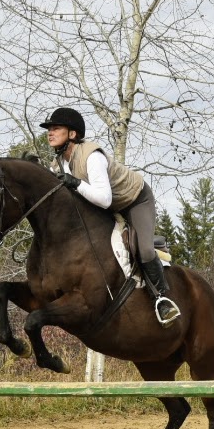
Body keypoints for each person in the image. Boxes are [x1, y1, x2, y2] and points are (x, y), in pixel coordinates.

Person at [40, 107, 180, 327]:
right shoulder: (58, 164)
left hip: (134, 201)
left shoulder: (92, 156)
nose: (50, 132)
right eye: (49, 129)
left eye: (56, 128)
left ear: (73, 134)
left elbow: (104, 199)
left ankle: (162, 298)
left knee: (143, 250)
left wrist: (75, 183)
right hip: (106, 207)